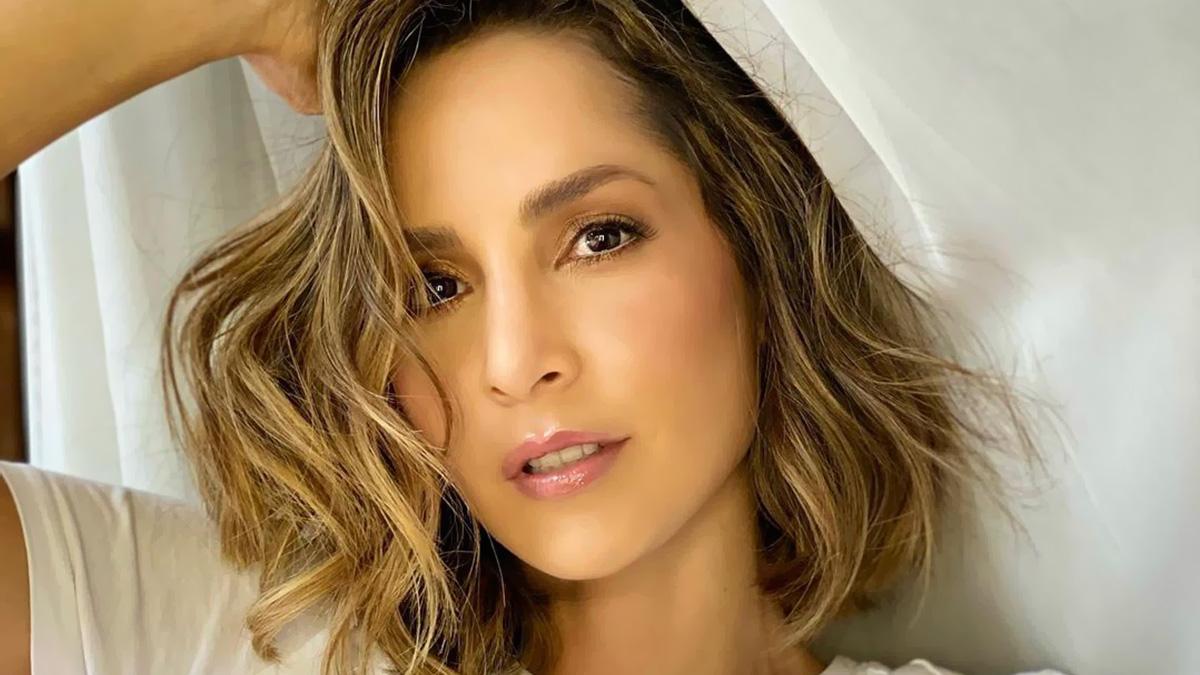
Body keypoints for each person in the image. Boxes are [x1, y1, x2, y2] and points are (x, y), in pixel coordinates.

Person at [0, 0, 1067, 674]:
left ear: (755, 245)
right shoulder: (241, 640)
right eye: (434, 285)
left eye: (599, 238)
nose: (516, 363)